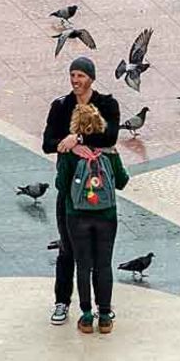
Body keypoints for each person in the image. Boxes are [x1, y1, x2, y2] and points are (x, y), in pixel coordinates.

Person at [40, 56, 122, 325]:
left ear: (91, 78)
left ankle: (100, 309)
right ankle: (62, 301)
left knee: (99, 258)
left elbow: (109, 137)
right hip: (69, 191)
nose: (76, 80)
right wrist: (70, 146)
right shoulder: (61, 106)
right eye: (72, 75)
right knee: (67, 249)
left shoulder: (107, 105)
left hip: (97, 192)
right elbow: (48, 143)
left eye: (81, 75)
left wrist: (78, 138)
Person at [53, 103, 124, 330]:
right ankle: (104, 316)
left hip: (77, 215)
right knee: (104, 265)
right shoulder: (109, 150)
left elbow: (61, 185)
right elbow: (122, 181)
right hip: (106, 215)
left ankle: (85, 317)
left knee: (82, 265)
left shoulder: (70, 152)